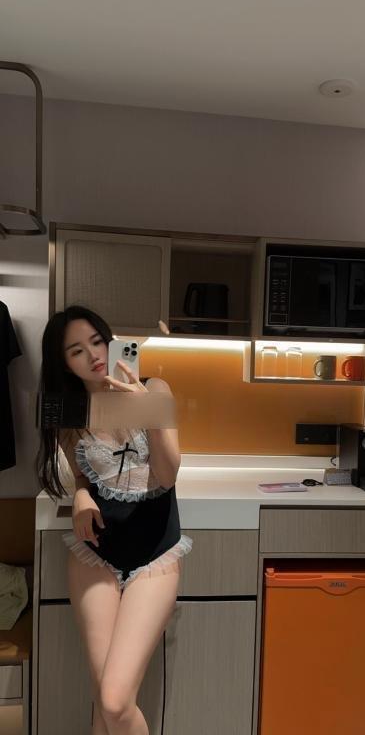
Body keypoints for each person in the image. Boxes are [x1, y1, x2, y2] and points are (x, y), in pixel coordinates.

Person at [36, 305, 192, 735]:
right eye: (76, 350)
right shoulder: (69, 410)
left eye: (96, 341)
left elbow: (167, 475)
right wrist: (81, 495)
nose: (92, 355)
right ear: (64, 364)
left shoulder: (154, 388)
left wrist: (149, 411)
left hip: (155, 553)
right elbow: (82, 472)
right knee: (103, 695)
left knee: (114, 700)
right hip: (96, 554)